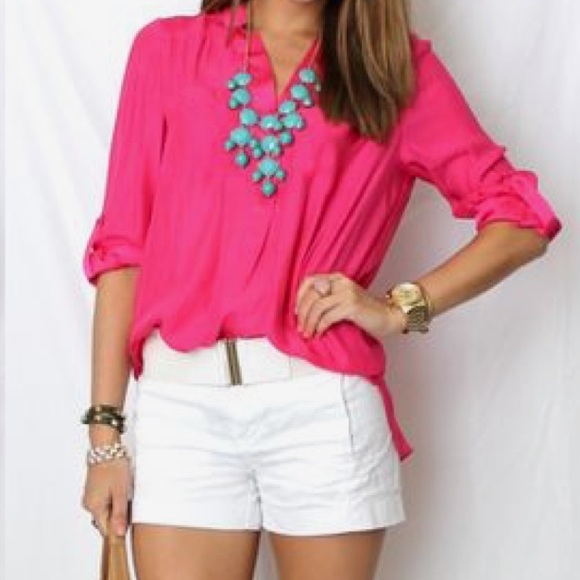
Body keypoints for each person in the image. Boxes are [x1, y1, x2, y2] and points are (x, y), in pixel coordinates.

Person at [80, 0, 562, 578]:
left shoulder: (390, 71)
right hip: (181, 412)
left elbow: (522, 219)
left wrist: (399, 308)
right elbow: (123, 248)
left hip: (321, 410)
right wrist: (105, 436)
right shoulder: (168, 51)